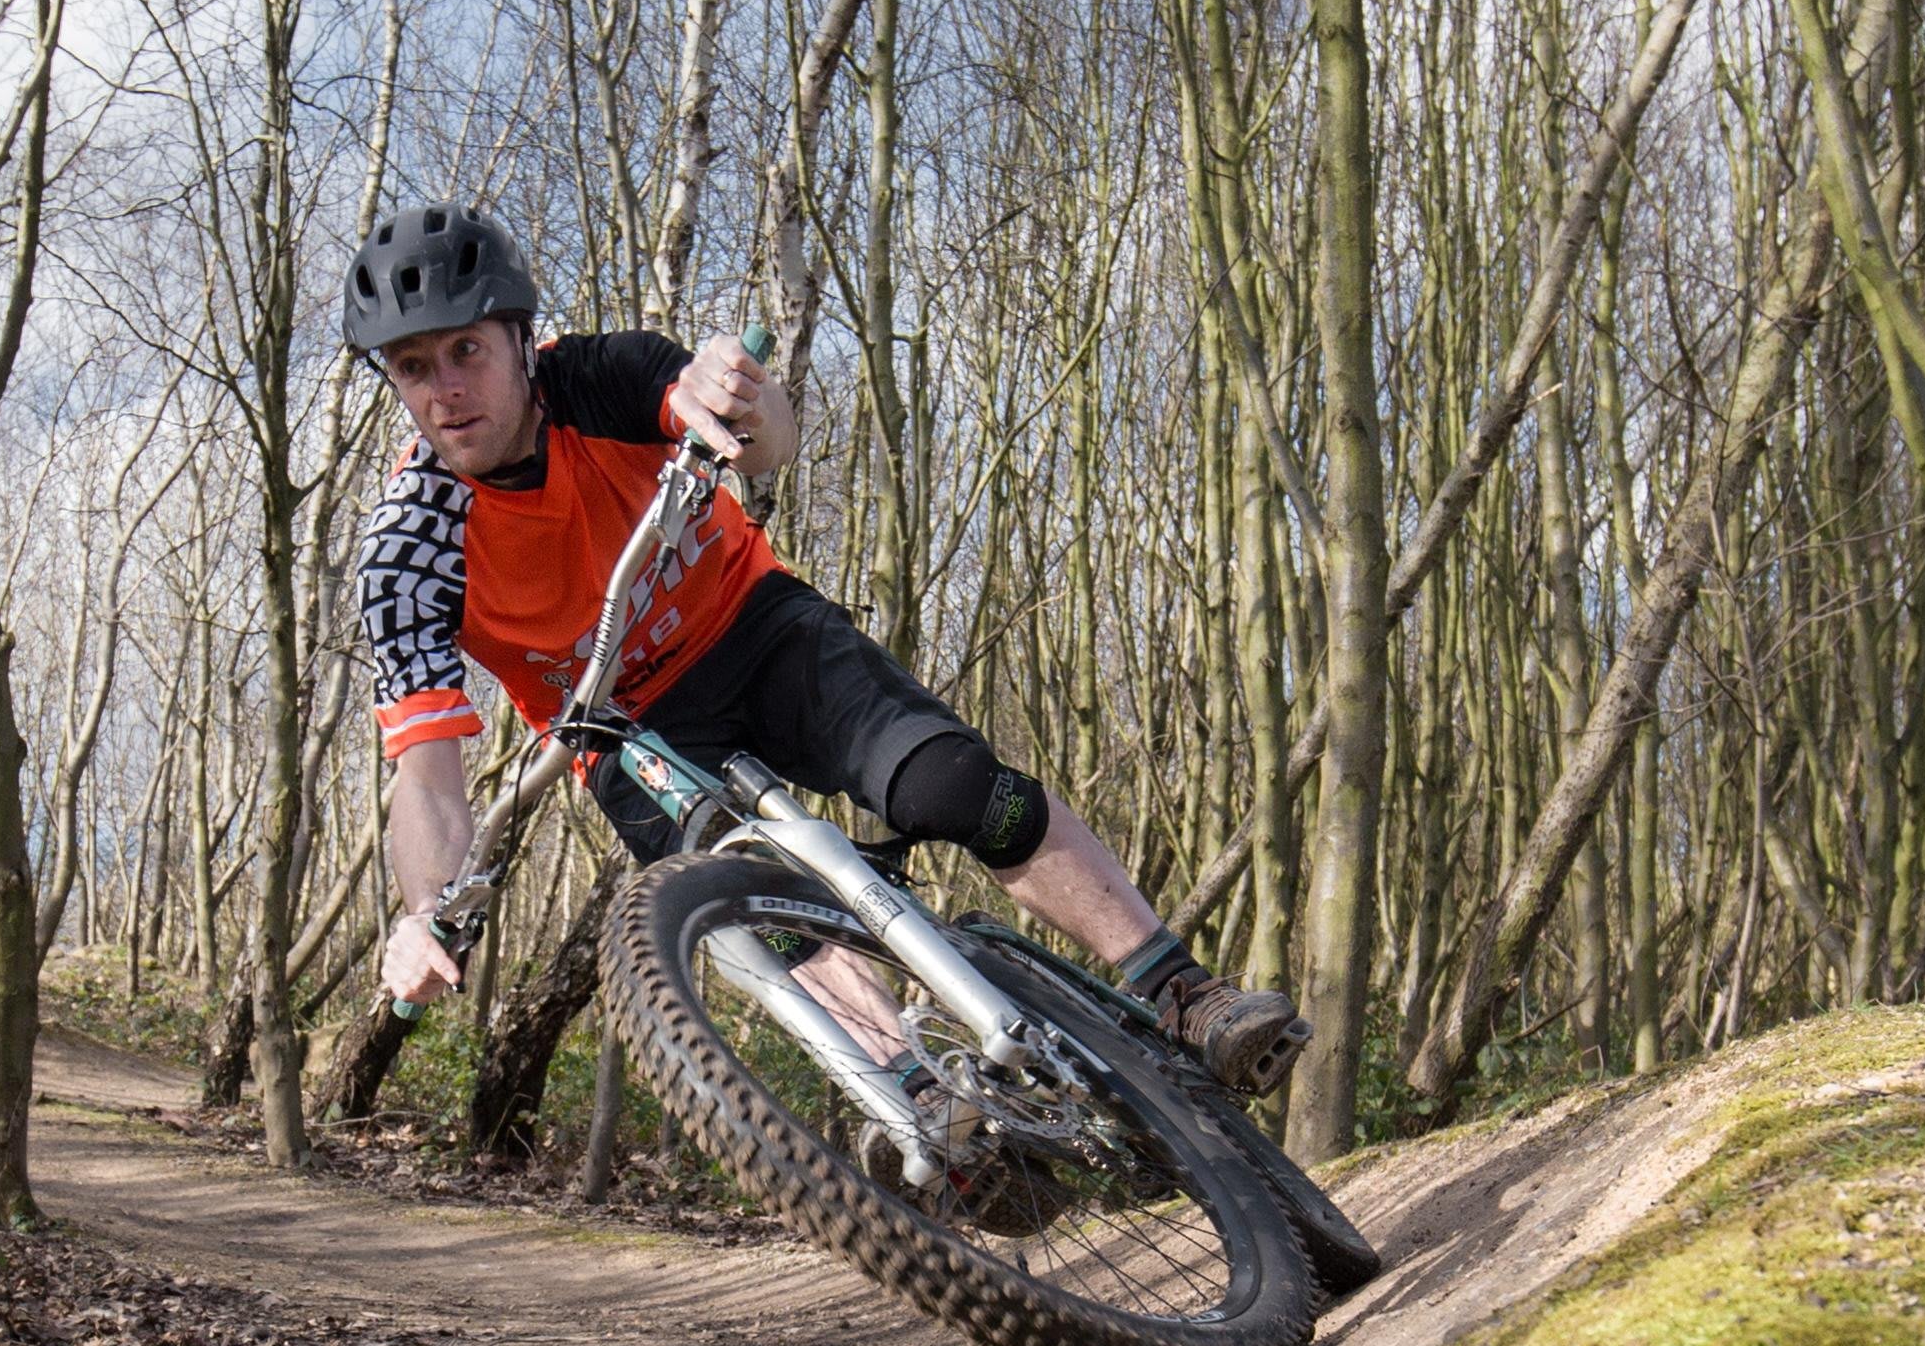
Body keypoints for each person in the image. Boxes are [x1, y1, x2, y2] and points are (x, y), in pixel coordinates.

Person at [344, 201, 1303, 1125]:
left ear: (518, 338)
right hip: (626, 734)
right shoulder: (407, 551)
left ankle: (1179, 988)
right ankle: (932, 1113)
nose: (445, 388)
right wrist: (427, 911)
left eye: (466, 349)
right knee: (769, 918)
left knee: (955, 788)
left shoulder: (594, 377)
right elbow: (425, 777)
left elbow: (754, 441)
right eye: (413, 366)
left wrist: (737, 400)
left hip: (753, 628)